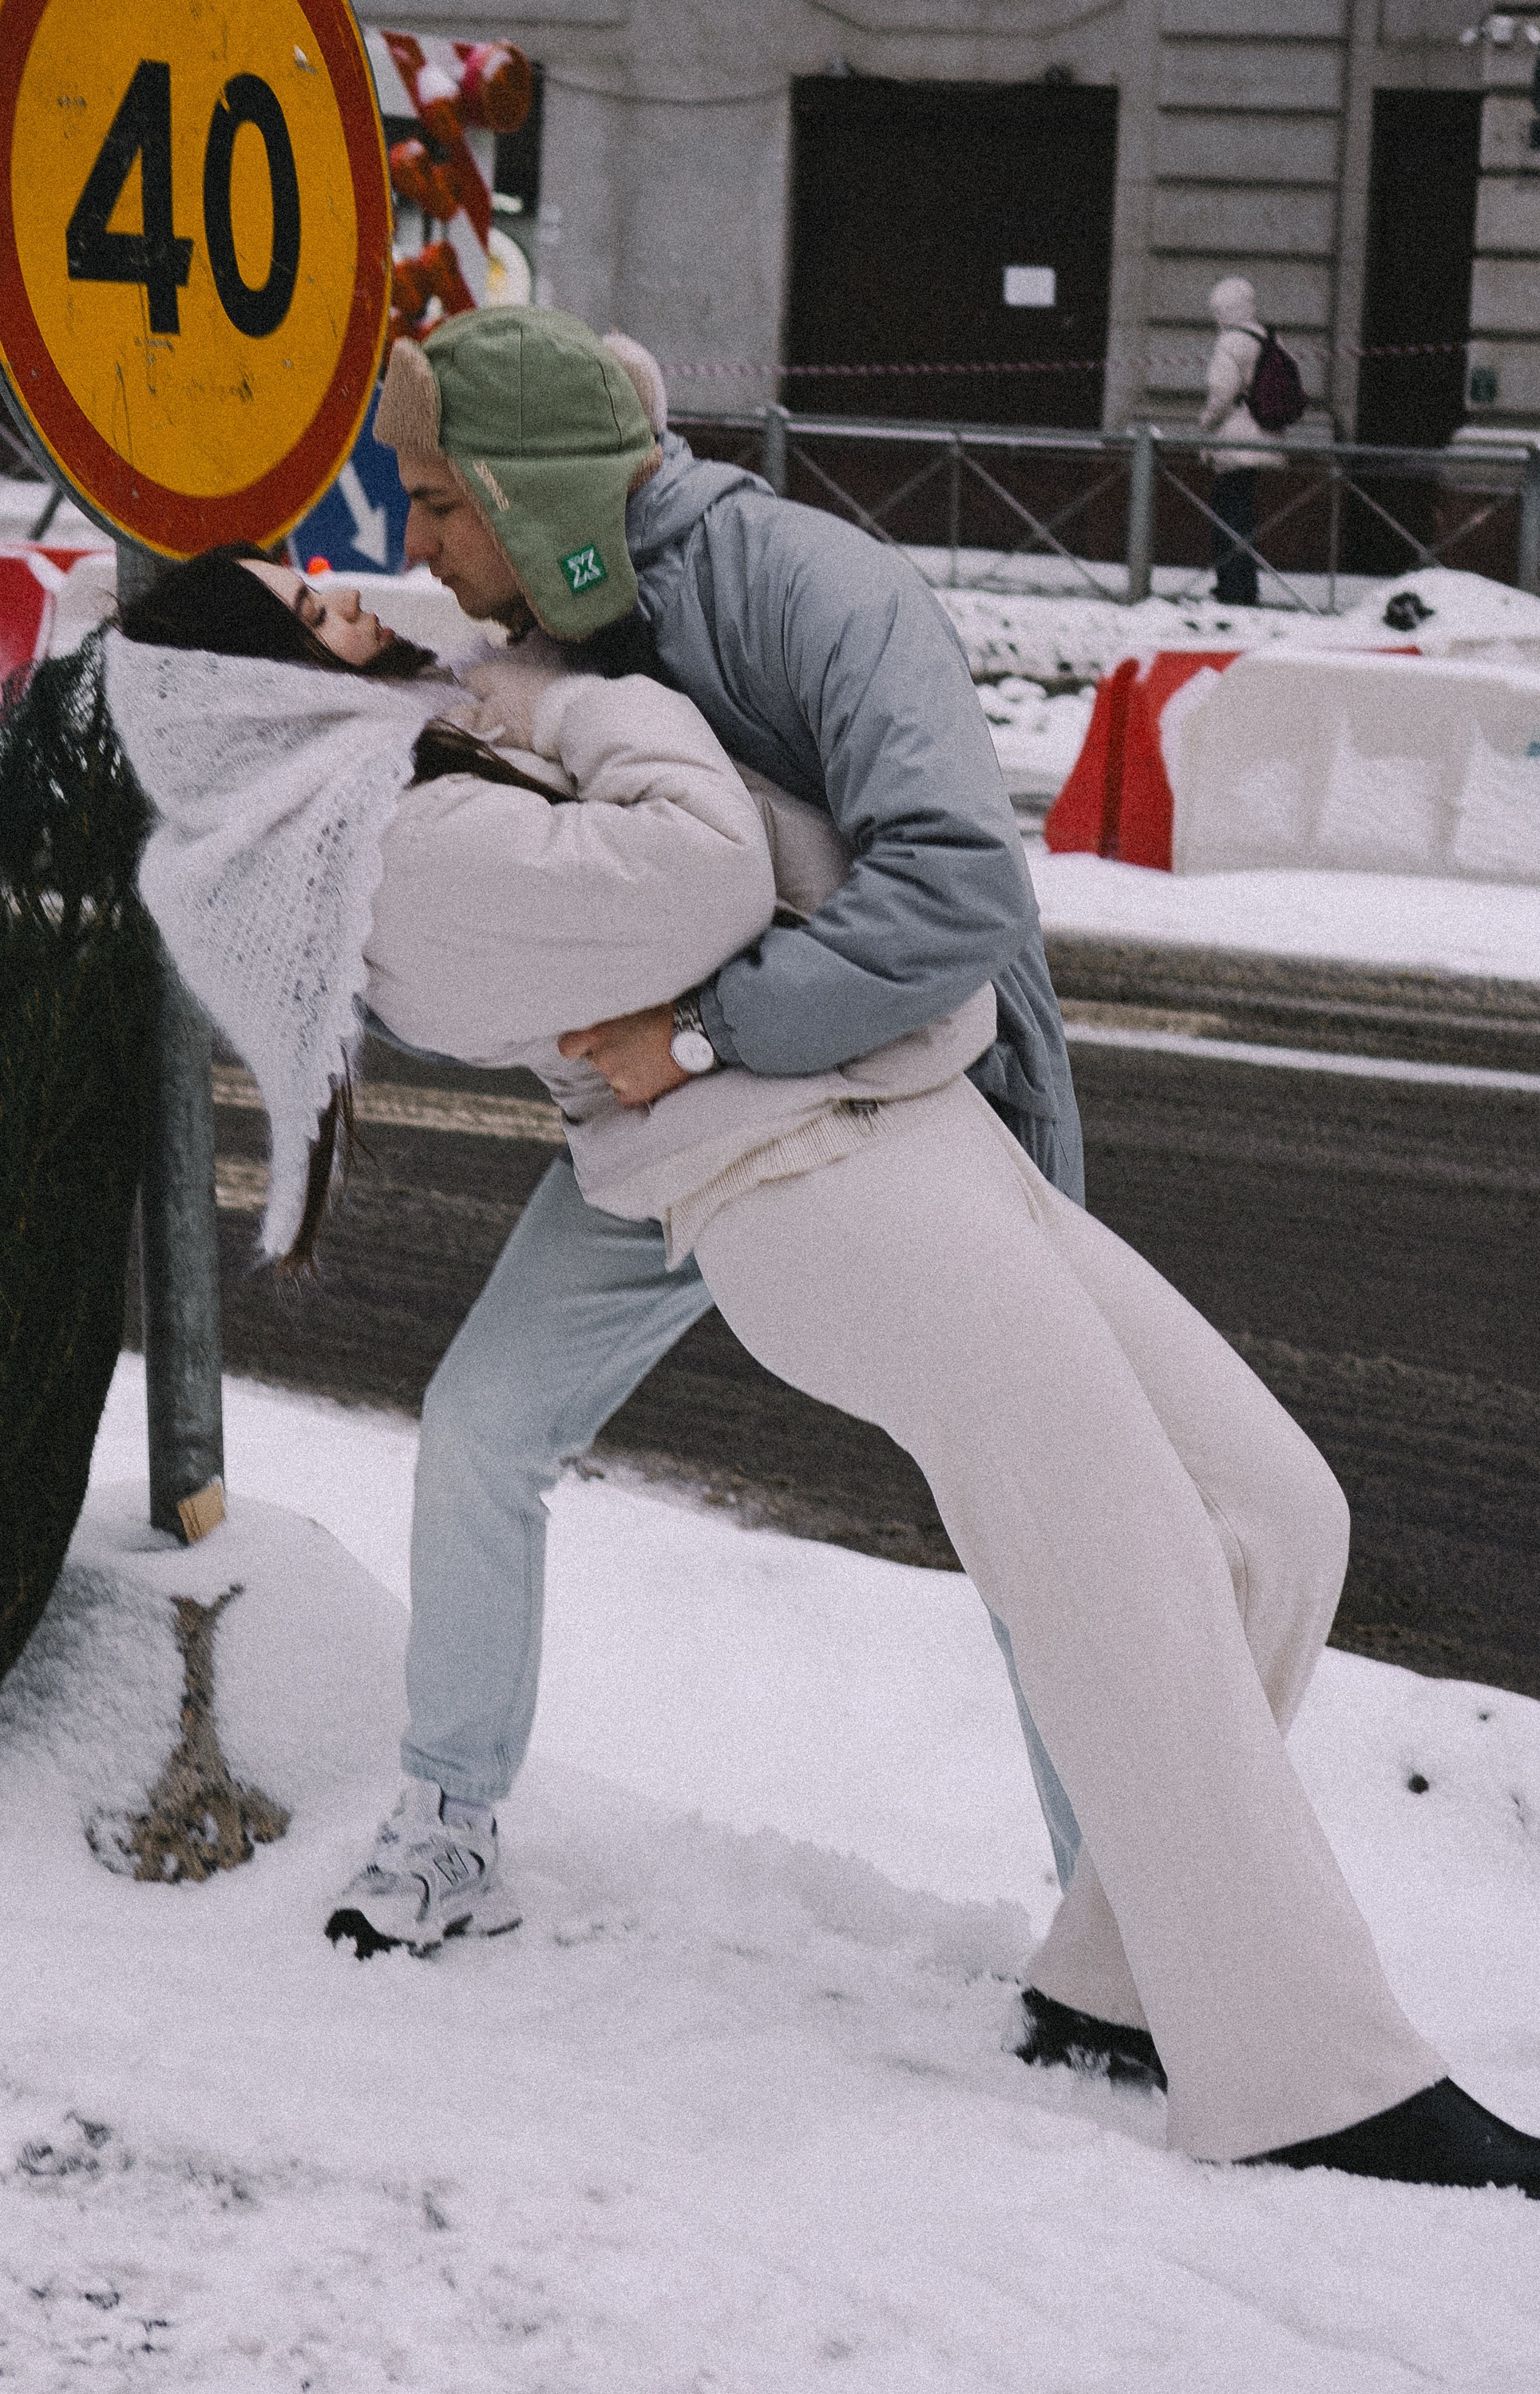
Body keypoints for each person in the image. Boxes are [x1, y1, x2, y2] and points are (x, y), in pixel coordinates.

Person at [104, 543, 1540, 2191]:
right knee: (1119, 1550)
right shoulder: (410, 850)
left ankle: (1106, 1981)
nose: (348, 593)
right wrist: (582, 697)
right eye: (308, 617)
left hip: (915, 1127)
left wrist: (517, 685)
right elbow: (709, 874)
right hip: (808, 1192)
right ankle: (1308, 2082)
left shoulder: (436, 747)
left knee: (1275, 1515)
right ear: (276, 702)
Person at [361, 307, 1096, 2043]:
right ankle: (446, 1826)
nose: (416, 547)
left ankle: (1114, 1927)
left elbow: (957, 898)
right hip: (682, 1139)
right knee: (481, 1426)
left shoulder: (819, 592)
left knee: (1030, 1513)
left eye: (436, 504)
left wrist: (696, 1026)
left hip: (920, 1124)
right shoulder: (549, 622)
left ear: (534, 494)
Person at [1200, 272, 1277, 607]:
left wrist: (1205, 424)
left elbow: (1222, 394)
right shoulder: (1267, 339)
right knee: (1243, 512)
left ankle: (1234, 587)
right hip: (1264, 435)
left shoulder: (1229, 342)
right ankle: (1244, 585)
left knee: (1226, 515)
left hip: (1234, 439)